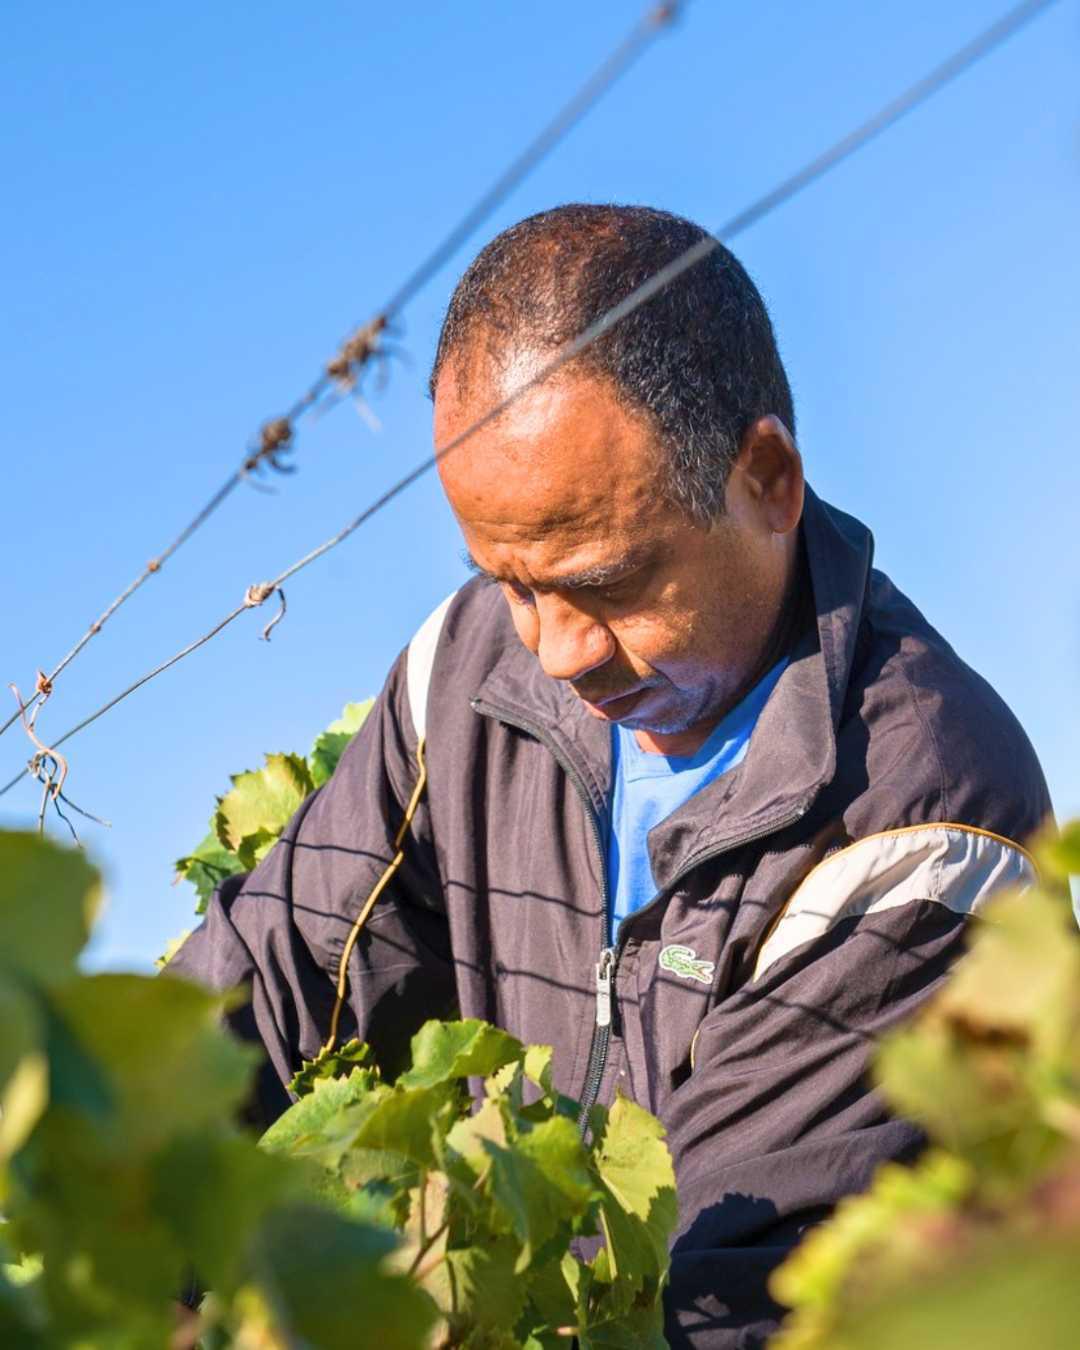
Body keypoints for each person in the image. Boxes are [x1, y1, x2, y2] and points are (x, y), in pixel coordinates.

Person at [171, 204, 1051, 1347]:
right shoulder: (462, 671)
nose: (557, 651)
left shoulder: (920, 826)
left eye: (610, 581)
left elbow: (733, 1307)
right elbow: (271, 982)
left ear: (768, 479)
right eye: (512, 581)